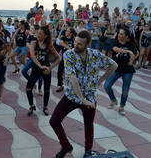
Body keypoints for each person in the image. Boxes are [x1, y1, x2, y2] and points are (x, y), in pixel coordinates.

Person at [50, 30, 117, 158]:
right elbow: (73, 78)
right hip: (72, 96)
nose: (76, 45)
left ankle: (88, 151)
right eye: (75, 41)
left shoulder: (95, 54)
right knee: (54, 121)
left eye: (80, 44)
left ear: (87, 45)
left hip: (90, 97)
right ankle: (66, 146)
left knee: (88, 125)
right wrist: (82, 99)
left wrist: (101, 80)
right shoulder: (68, 54)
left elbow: (114, 65)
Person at [26, 27, 60, 116]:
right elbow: (33, 57)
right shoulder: (33, 43)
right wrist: (40, 66)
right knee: (28, 88)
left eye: (40, 34)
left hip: (46, 70)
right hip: (36, 68)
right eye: (38, 33)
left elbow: (59, 58)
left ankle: (45, 107)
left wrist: (50, 68)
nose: (38, 35)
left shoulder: (49, 45)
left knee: (47, 90)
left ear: (45, 36)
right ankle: (31, 105)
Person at [104, 28, 138, 115]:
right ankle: (113, 100)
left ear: (127, 36)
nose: (119, 35)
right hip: (116, 69)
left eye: (122, 34)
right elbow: (115, 49)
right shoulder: (115, 42)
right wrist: (129, 52)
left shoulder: (131, 44)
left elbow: (136, 53)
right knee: (107, 86)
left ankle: (122, 106)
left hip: (127, 70)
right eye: (119, 33)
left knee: (125, 90)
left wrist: (132, 59)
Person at [56, 27, 76, 93]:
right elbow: (61, 43)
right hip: (64, 57)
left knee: (70, 73)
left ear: (71, 33)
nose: (66, 32)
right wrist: (69, 48)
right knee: (59, 71)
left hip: (71, 59)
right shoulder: (63, 38)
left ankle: (72, 87)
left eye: (68, 31)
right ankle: (60, 85)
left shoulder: (74, 39)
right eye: (66, 31)